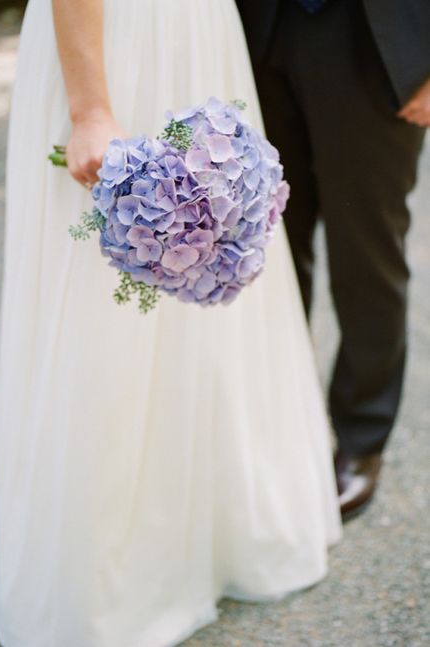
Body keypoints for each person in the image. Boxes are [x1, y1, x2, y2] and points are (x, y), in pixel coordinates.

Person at [0, 1, 341, 645]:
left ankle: (212, 531)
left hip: (196, 34)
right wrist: (91, 108)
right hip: (115, 48)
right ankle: (113, 563)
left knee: (207, 267)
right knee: (105, 298)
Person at [236, 0, 430, 519]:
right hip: (255, 29)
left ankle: (362, 435)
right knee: (264, 246)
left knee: (367, 253)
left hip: (378, 37)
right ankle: (280, 421)